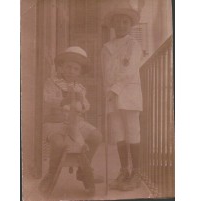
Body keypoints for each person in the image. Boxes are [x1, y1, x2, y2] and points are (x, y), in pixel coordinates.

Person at [39, 46, 102, 196]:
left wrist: (82, 103)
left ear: (79, 72)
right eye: (67, 67)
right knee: (59, 143)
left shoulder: (79, 88)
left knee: (96, 136)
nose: (70, 71)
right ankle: (51, 173)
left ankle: (83, 169)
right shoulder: (51, 83)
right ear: (60, 67)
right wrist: (63, 101)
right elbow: (47, 100)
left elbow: (86, 105)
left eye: (75, 69)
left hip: (75, 122)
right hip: (55, 122)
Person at [101, 6, 143, 191]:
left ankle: (136, 174)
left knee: (132, 132)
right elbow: (105, 74)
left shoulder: (133, 44)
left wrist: (115, 89)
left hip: (129, 95)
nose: (121, 25)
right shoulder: (106, 48)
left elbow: (130, 69)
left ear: (131, 25)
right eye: (118, 21)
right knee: (118, 134)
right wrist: (108, 93)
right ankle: (124, 171)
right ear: (112, 25)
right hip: (112, 97)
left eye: (125, 22)